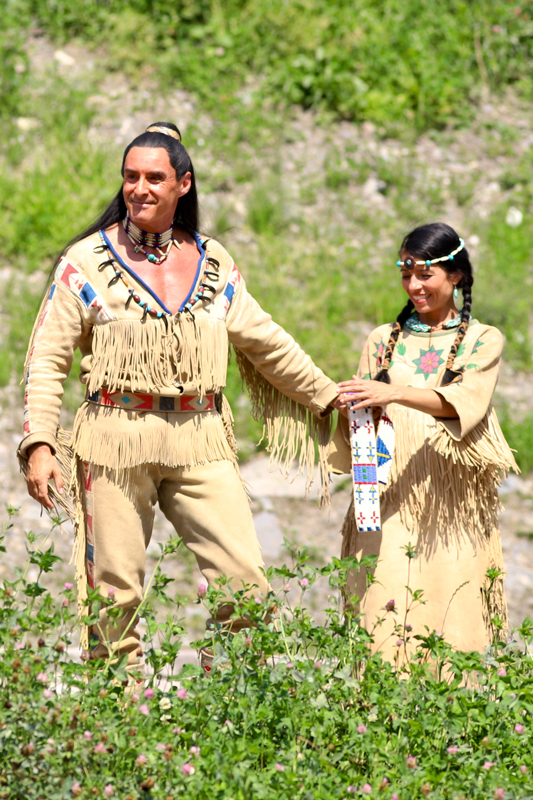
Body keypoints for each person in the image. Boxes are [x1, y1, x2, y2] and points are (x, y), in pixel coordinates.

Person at [19, 122, 338, 670]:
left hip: (201, 436)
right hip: (114, 439)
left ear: (183, 184)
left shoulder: (214, 264)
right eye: (130, 177)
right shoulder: (86, 261)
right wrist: (40, 442)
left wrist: (331, 398)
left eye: (153, 178)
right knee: (113, 591)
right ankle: (120, 719)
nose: (139, 188)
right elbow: (48, 357)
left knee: (244, 583)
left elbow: (267, 343)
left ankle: (227, 705)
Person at [330, 222, 517, 662]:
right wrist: (349, 405)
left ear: (456, 276)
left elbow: (463, 403)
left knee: (454, 622)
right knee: (382, 618)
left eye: (425, 274)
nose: (413, 285)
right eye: (406, 273)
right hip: (387, 497)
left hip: (452, 504)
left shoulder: (482, 339)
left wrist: (391, 393)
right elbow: (363, 415)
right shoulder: (382, 339)